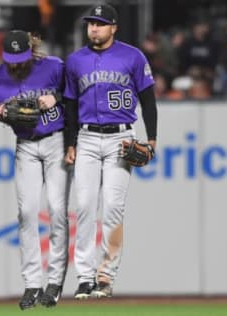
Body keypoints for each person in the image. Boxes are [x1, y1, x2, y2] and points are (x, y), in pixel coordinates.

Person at [63, 4, 157, 299]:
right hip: (87, 138)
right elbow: (69, 106)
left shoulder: (133, 56)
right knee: (85, 207)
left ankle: (106, 275)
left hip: (121, 139)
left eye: (100, 24)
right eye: (91, 23)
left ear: (113, 27)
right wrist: (70, 143)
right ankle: (84, 277)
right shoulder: (75, 60)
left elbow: (149, 100)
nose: (94, 28)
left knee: (113, 208)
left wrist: (151, 139)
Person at [0, 30, 70, 309]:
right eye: (11, 58)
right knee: (26, 212)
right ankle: (33, 283)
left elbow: (76, 95)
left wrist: (56, 97)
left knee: (58, 210)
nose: (16, 63)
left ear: (31, 50)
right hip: (25, 145)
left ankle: (55, 281)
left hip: (56, 140)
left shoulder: (53, 67)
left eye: (20, 57)